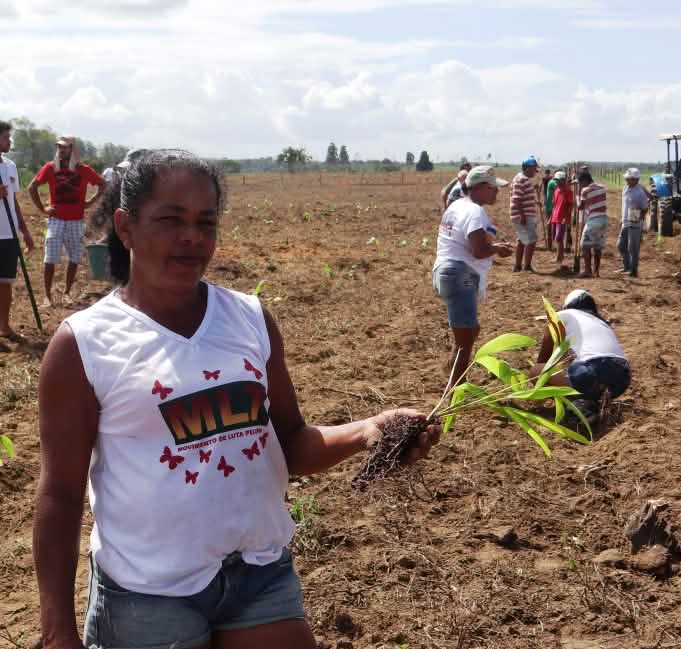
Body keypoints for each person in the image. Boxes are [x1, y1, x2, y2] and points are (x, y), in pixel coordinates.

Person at [33, 149, 441, 649]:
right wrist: (57, 634)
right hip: (148, 595)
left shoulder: (248, 319)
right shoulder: (84, 344)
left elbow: (290, 443)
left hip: (258, 574)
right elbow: (60, 494)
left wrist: (368, 430)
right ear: (126, 227)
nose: (192, 237)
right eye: (170, 220)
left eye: (206, 222)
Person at [433, 165, 514, 386]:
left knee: (470, 330)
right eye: (492, 187)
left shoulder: (456, 205)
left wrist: (493, 245)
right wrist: (498, 249)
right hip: (461, 275)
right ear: (479, 188)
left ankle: (453, 370)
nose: (496, 192)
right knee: (465, 343)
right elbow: (478, 251)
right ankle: (454, 391)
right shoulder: (475, 212)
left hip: (446, 270)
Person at [529, 289, 631, 422]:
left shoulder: (562, 315)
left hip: (590, 371)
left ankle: (579, 405)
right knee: (581, 374)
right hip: (622, 379)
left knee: (536, 371)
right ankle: (591, 402)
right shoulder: (602, 322)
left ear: (567, 306)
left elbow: (544, 360)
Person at [28, 135, 106, 306]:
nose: (61, 150)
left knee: (74, 258)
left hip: (76, 221)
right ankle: (47, 296)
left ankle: (67, 292)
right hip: (56, 220)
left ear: (73, 149)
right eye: (59, 147)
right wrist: (43, 209)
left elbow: (103, 184)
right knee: (50, 258)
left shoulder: (84, 170)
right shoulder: (50, 168)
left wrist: (91, 201)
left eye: (65, 147)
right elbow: (32, 186)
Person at [0, 120, 35, 339]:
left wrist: (25, 231)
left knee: (5, 283)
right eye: (5, 137)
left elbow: (14, 201)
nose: (9, 141)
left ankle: (4, 326)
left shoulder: (9, 166)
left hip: (8, 234)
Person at [616, 168, 649, 277]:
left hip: (634, 221)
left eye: (629, 179)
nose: (627, 180)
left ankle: (633, 270)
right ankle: (626, 266)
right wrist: (622, 219)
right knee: (620, 246)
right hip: (625, 220)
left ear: (636, 179)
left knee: (633, 248)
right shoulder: (625, 188)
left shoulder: (640, 193)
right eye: (627, 178)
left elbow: (645, 208)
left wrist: (639, 218)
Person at [576, 170, 608, 277]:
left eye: (580, 183)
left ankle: (587, 270)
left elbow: (580, 207)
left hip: (593, 220)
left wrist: (578, 194)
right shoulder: (602, 187)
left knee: (585, 245)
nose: (580, 185)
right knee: (597, 246)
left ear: (584, 181)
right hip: (604, 219)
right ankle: (596, 271)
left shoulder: (585, 190)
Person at [510, 156, 539, 272]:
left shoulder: (520, 178)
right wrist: (522, 216)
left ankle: (518, 266)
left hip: (523, 214)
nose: (535, 172)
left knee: (522, 240)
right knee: (531, 240)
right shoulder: (522, 179)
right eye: (534, 169)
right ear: (528, 168)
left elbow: (522, 197)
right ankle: (526, 266)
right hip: (524, 216)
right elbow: (516, 199)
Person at [550, 171, 572, 264]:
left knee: (559, 237)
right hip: (555, 217)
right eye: (556, 180)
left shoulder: (568, 191)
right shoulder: (556, 191)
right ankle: (560, 256)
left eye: (559, 180)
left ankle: (559, 258)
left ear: (563, 180)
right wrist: (550, 217)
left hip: (562, 218)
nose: (557, 182)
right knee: (556, 237)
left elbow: (571, 205)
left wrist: (566, 217)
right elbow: (554, 205)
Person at [544, 170, 558, 252]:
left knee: (553, 227)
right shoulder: (553, 182)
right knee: (550, 227)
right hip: (551, 208)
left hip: (553, 207)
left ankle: (551, 246)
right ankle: (550, 247)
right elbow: (560, 187)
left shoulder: (552, 181)